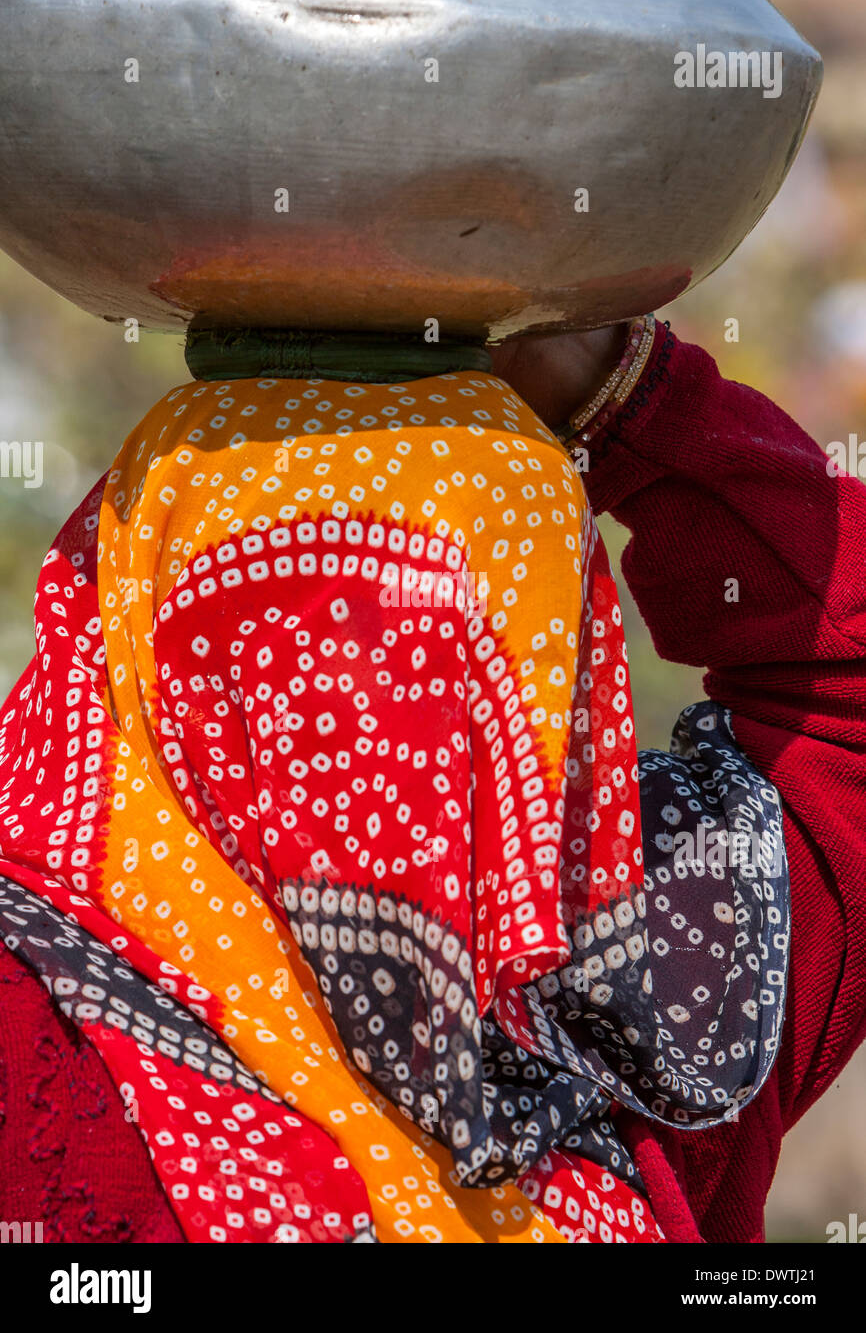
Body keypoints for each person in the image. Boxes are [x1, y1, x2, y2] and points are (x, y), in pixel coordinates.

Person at [0, 315, 863, 1243]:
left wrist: (621, 394)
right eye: (334, 654)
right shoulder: (30, 1046)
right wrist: (616, 405)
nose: (413, 741)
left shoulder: (644, 1008)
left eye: (493, 664)